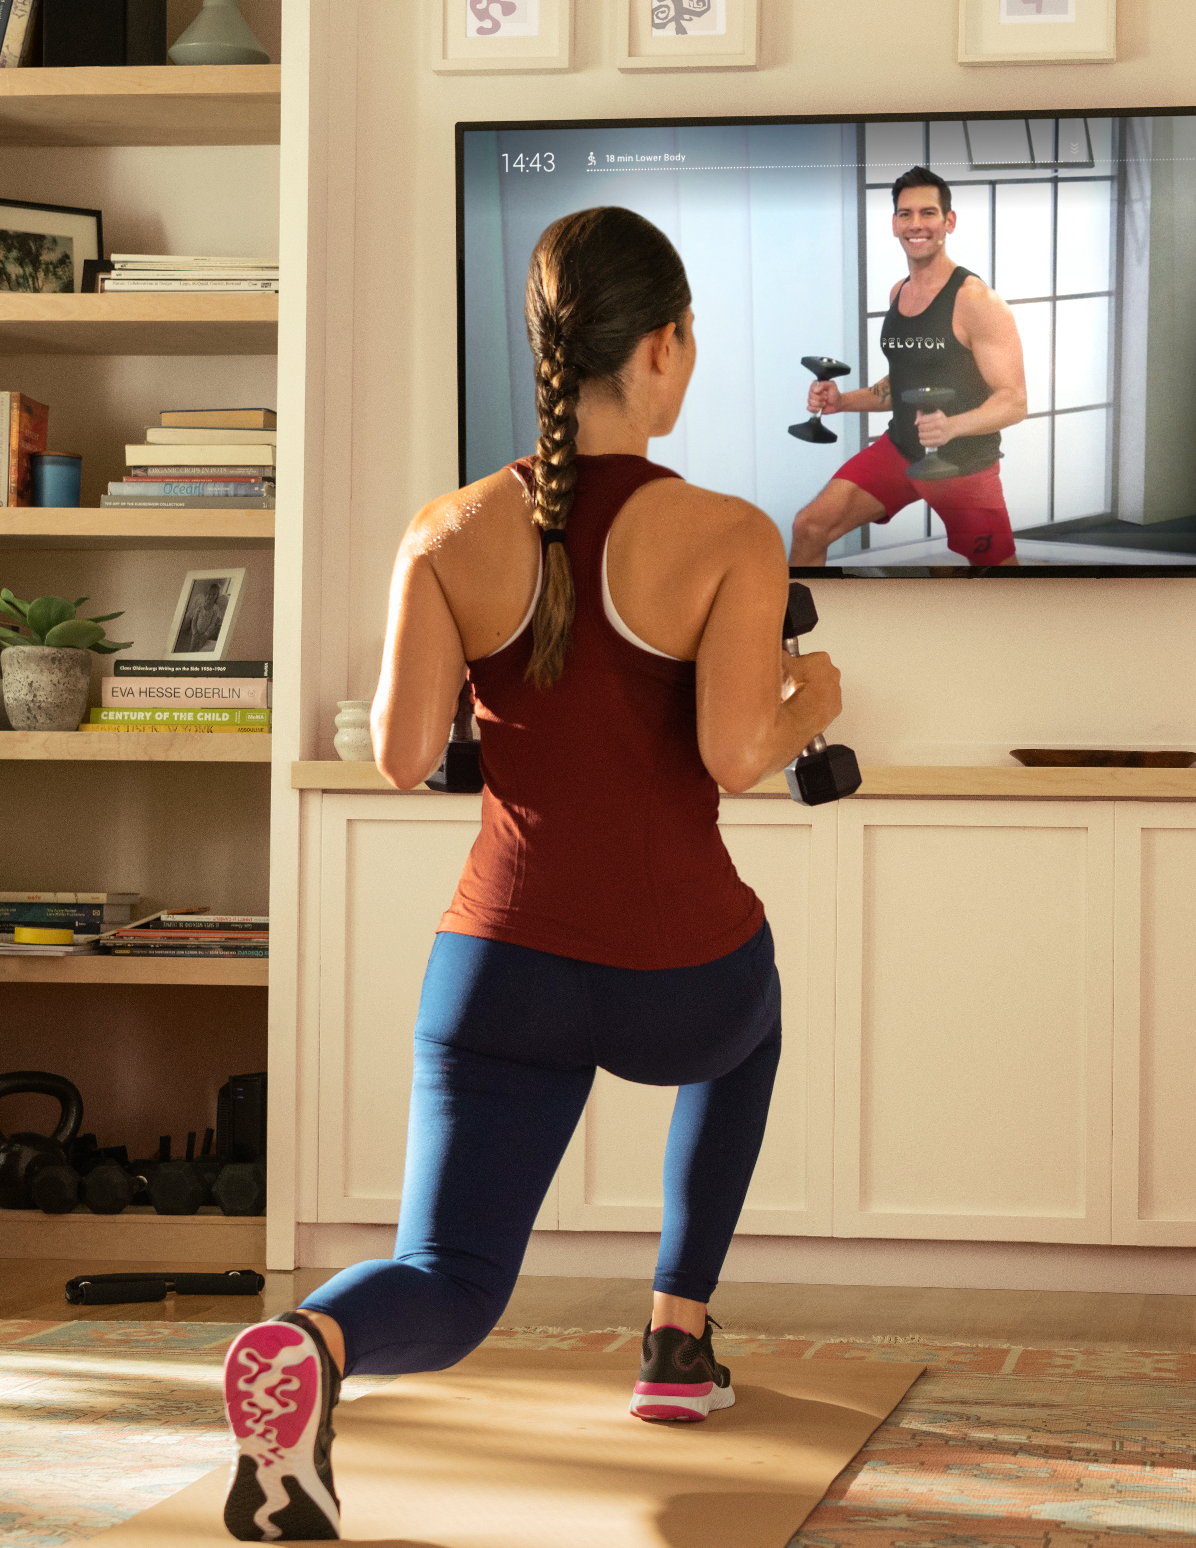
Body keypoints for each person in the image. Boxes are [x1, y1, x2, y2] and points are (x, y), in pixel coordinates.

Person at [217, 206, 844, 1543]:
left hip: (498, 972)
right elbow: (737, 756)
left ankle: (312, 1349)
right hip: (683, 981)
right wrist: (812, 693)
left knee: (447, 1283)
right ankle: (677, 1340)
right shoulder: (731, 533)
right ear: (666, 347)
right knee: (758, 1012)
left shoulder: (444, 530)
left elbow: (398, 756)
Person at [790, 165, 1029, 569]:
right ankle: (797, 630)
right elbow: (903, 381)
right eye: (906, 214)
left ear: (949, 221)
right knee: (809, 527)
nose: (916, 224)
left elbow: (1015, 402)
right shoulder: (899, 292)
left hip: (964, 467)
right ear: (894, 224)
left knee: (1001, 584)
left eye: (928, 213)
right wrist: (841, 401)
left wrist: (950, 426)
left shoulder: (977, 302)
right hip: (901, 451)